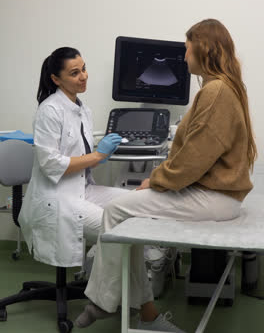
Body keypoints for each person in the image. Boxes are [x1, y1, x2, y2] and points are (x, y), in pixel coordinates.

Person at [75, 19, 257, 332]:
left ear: (203, 50)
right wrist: (162, 179)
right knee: (125, 219)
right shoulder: (224, 88)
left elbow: (194, 159)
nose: (184, 58)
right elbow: (195, 154)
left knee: (116, 210)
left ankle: (105, 302)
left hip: (215, 198)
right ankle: (144, 312)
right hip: (217, 195)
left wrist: (156, 180)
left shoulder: (215, 92)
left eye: (187, 51)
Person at [19, 47, 128, 268]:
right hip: (57, 198)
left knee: (133, 205)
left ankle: (110, 291)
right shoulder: (49, 111)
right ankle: (107, 296)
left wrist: (99, 157)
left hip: (82, 188)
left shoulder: (82, 110)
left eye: (84, 69)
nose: (83, 76)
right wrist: (97, 155)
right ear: (56, 79)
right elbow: (51, 164)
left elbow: (78, 155)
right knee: (119, 228)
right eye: (75, 73)